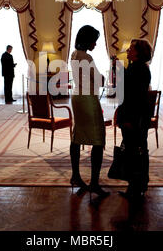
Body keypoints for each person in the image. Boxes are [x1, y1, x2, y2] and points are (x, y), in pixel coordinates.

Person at [69, 25, 109, 198]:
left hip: (77, 97)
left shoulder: (74, 54)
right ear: (87, 40)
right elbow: (99, 80)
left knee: (77, 135)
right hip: (87, 99)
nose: (95, 44)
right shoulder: (87, 56)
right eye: (94, 40)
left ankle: (76, 176)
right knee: (98, 139)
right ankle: (94, 183)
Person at [116, 39, 152, 201]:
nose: (127, 51)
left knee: (134, 150)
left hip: (134, 117)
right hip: (138, 116)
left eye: (131, 49)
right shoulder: (138, 68)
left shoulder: (138, 69)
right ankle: (138, 185)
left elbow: (132, 97)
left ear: (139, 52)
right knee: (138, 149)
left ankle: (135, 187)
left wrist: (126, 118)